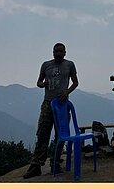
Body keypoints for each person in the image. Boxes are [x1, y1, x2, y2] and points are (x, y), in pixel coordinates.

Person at [23, 42, 78, 179]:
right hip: (48, 104)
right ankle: (36, 166)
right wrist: (43, 84)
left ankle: (55, 163)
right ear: (52, 52)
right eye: (56, 51)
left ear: (65, 52)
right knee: (42, 133)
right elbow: (38, 82)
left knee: (60, 134)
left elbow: (75, 82)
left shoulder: (70, 64)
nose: (58, 53)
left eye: (61, 51)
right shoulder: (46, 65)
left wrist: (67, 91)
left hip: (62, 105)